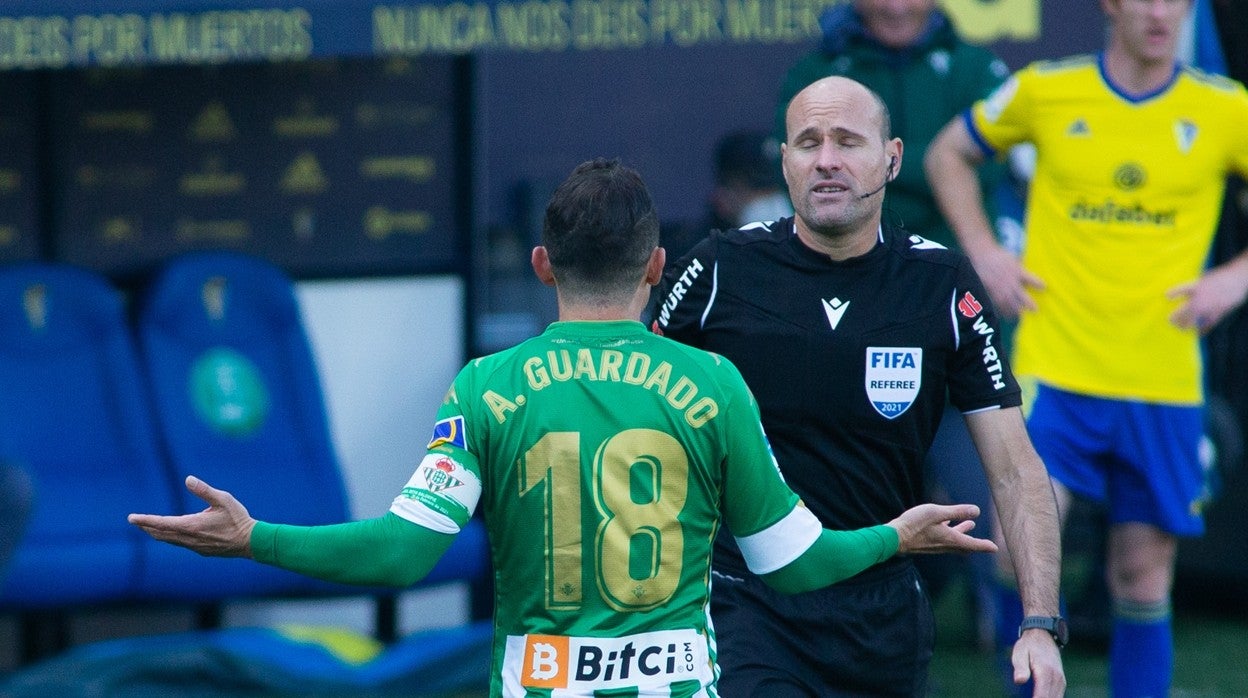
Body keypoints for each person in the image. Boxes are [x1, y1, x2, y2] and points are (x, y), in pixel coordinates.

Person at [129, 158, 998, 697]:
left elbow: (397, 554)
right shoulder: (712, 384)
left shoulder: (487, 389)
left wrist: (254, 540)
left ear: (543, 264)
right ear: (659, 266)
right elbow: (795, 563)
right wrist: (893, 536)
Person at [652, 76, 1065, 697]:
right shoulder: (717, 269)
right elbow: (630, 397)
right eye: (808, 142)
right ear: (785, 161)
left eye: (848, 141)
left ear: (892, 158)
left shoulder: (942, 284)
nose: (827, 160)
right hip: (749, 605)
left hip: (883, 616)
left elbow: (1014, 466)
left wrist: (1039, 624)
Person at [924, 0, 1248, 695]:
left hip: (1162, 380)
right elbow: (947, 150)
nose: (1161, 13)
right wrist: (983, 250)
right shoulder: (1048, 89)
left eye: (1177, 0)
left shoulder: (1224, 108)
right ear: (1112, 5)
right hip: (1055, 370)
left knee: (1143, 574)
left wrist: (1233, 279)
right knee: (1019, 551)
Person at [774, 0, 1016, 644]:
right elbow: (810, 200)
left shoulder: (974, 67)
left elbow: (984, 167)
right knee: (837, 506)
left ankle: (1017, 644)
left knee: (999, 504)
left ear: (894, 156)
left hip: (945, 309)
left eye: (849, 142)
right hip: (848, 316)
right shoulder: (820, 72)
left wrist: (984, 252)